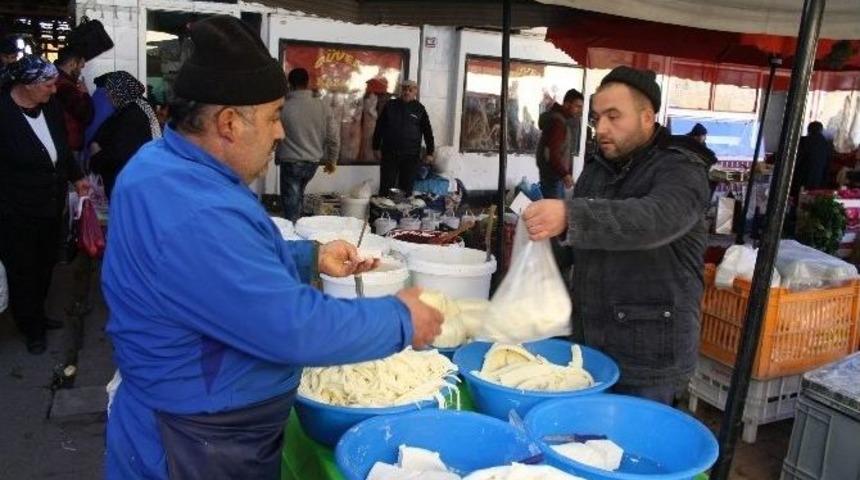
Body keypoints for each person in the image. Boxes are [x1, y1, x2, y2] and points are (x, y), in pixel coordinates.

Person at [101, 16, 442, 479]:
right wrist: (402, 319)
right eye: (274, 116)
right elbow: (293, 327)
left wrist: (309, 257)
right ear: (228, 123)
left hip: (193, 424)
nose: (280, 133)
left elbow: (214, 277)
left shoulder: (162, 166)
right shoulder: (195, 209)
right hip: (195, 446)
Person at [522, 66, 715, 405]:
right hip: (590, 344)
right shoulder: (598, 169)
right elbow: (575, 244)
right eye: (597, 118)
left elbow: (655, 219)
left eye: (614, 117)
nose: (602, 129)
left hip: (650, 356)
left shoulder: (681, 169)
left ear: (647, 117)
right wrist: (535, 250)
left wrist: (570, 215)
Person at [0, 55, 89, 354]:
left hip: (51, 205)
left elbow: (61, 148)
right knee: (23, 268)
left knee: (46, 263)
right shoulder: (4, 114)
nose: (54, 90)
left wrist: (77, 178)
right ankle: (30, 326)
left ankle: (36, 313)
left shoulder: (50, 107)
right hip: (16, 210)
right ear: (27, 85)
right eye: (48, 84)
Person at [276, 68, 339, 221]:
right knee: (298, 197)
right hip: (312, 163)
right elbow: (333, 137)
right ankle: (299, 229)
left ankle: (293, 237)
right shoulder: (322, 106)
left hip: (290, 162)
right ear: (308, 82)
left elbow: (273, 134)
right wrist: (332, 160)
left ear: (289, 84)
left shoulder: (283, 107)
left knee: (291, 203)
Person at [90, 71, 162, 198]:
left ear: (120, 91)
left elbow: (121, 152)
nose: (108, 95)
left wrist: (96, 157)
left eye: (111, 91)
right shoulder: (137, 106)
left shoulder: (132, 114)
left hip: (132, 181)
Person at [372, 79, 435, 196]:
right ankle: (383, 212)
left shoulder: (420, 109)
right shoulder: (390, 105)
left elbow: (427, 131)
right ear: (401, 90)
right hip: (390, 153)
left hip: (411, 156)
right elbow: (379, 127)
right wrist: (375, 147)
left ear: (415, 92)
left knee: (406, 188)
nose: (407, 92)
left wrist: (430, 152)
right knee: (386, 186)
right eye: (405, 89)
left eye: (410, 90)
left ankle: (403, 213)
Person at [536, 88, 584, 199]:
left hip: (554, 176)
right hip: (553, 177)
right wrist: (565, 174)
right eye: (577, 106)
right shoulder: (558, 123)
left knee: (558, 208)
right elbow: (552, 154)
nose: (580, 111)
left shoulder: (561, 120)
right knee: (555, 212)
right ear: (567, 104)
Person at [53, 47, 93, 156]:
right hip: (69, 145)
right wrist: (85, 94)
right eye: (80, 67)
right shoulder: (65, 86)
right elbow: (86, 115)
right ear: (72, 64)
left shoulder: (56, 79)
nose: (80, 71)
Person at [794, 121, 833, 193]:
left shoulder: (803, 141)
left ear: (809, 130)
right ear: (821, 131)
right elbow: (827, 165)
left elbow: (796, 160)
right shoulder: (827, 144)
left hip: (801, 178)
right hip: (818, 180)